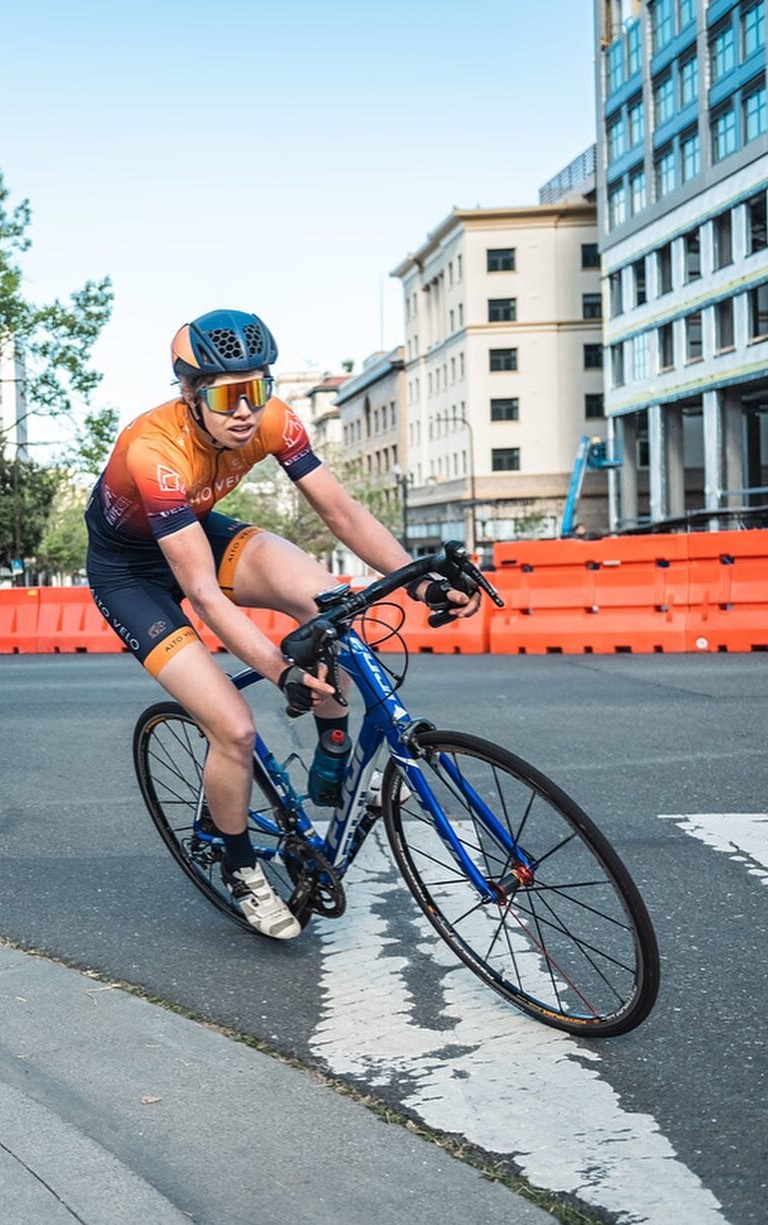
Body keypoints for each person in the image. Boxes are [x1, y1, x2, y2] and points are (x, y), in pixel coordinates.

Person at [85, 309, 480, 939]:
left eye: (257, 388)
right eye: (225, 394)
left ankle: (333, 758)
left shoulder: (273, 419)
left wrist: (421, 579)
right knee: (234, 729)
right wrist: (279, 671)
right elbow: (203, 596)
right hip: (133, 574)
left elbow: (343, 513)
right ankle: (241, 868)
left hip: (197, 534)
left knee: (330, 602)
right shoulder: (154, 450)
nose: (245, 409)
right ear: (189, 394)